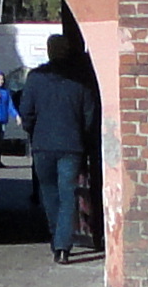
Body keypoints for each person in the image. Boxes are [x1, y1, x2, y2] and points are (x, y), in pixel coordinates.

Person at [20, 30, 100, 266]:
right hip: (71, 145)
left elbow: (26, 112)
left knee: (49, 193)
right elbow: (89, 114)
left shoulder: (35, 78)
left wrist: (32, 131)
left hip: (43, 145)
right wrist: (83, 137)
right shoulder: (80, 81)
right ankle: (63, 246)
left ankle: (57, 239)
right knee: (68, 196)